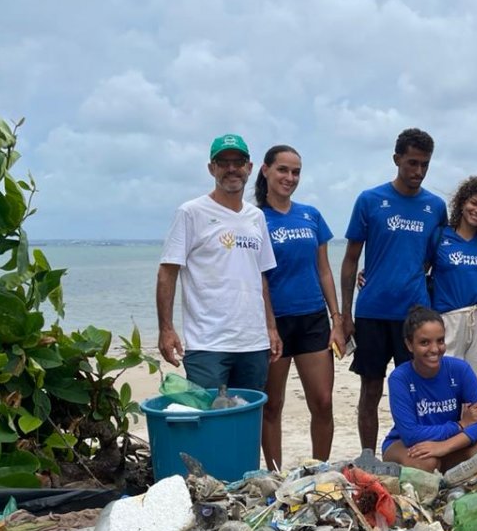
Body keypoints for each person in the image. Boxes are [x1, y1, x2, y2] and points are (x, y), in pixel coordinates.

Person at [341, 128, 447, 450]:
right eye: (411, 163)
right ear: (396, 159)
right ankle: (368, 455)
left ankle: (414, 452)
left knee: (416, 390)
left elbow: (431, 259)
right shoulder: (370, 200)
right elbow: (349, 261)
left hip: (414, 316)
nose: (417, 172)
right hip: (373, 311)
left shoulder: (435, 206)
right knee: (370, 389)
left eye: (424, 165)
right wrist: (345, 315)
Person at [157, 133, 281, 395]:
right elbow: (168, 272)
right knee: (209, 422)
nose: (231, 169)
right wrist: (166, 330)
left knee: (247, 420)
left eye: (238, 162)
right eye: (223, 162)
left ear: (249, 168)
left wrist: (271, 328)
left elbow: (260, 276)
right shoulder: (191, 212)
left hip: (253, 344)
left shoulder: (256, 217)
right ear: (211, 168)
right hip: (207, 344)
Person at [255, 145, 343, 468]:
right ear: (265, 170)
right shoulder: (255, 218)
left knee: (322, 402)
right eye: (283, 170)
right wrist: (269, 326)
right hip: (274, 322)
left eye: (295, 172)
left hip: (313, 320)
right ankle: (275, 474)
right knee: (272, 405)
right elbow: (259, 278)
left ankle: (318, 470)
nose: (289, 178)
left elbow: (323, 269)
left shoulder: (311, 215)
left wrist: (337, 319)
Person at [382, 307, 477, 472]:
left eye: (440, 341)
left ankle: (450, 479)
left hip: (447, 444)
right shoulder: (400, 377)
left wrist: (445, 446)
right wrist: (460, 425)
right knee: (427, 462)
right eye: (424, 342)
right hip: (405, 444)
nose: (434, 349)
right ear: (409, 345)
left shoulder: (459, 369)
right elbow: (410, 434)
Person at [430, 175, 477, 395]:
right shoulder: (439, 237)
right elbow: (417, 269)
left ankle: (473, 430)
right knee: (445, 387)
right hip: (448, 321)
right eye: (474, 203)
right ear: (462, 202)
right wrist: (369, 272)